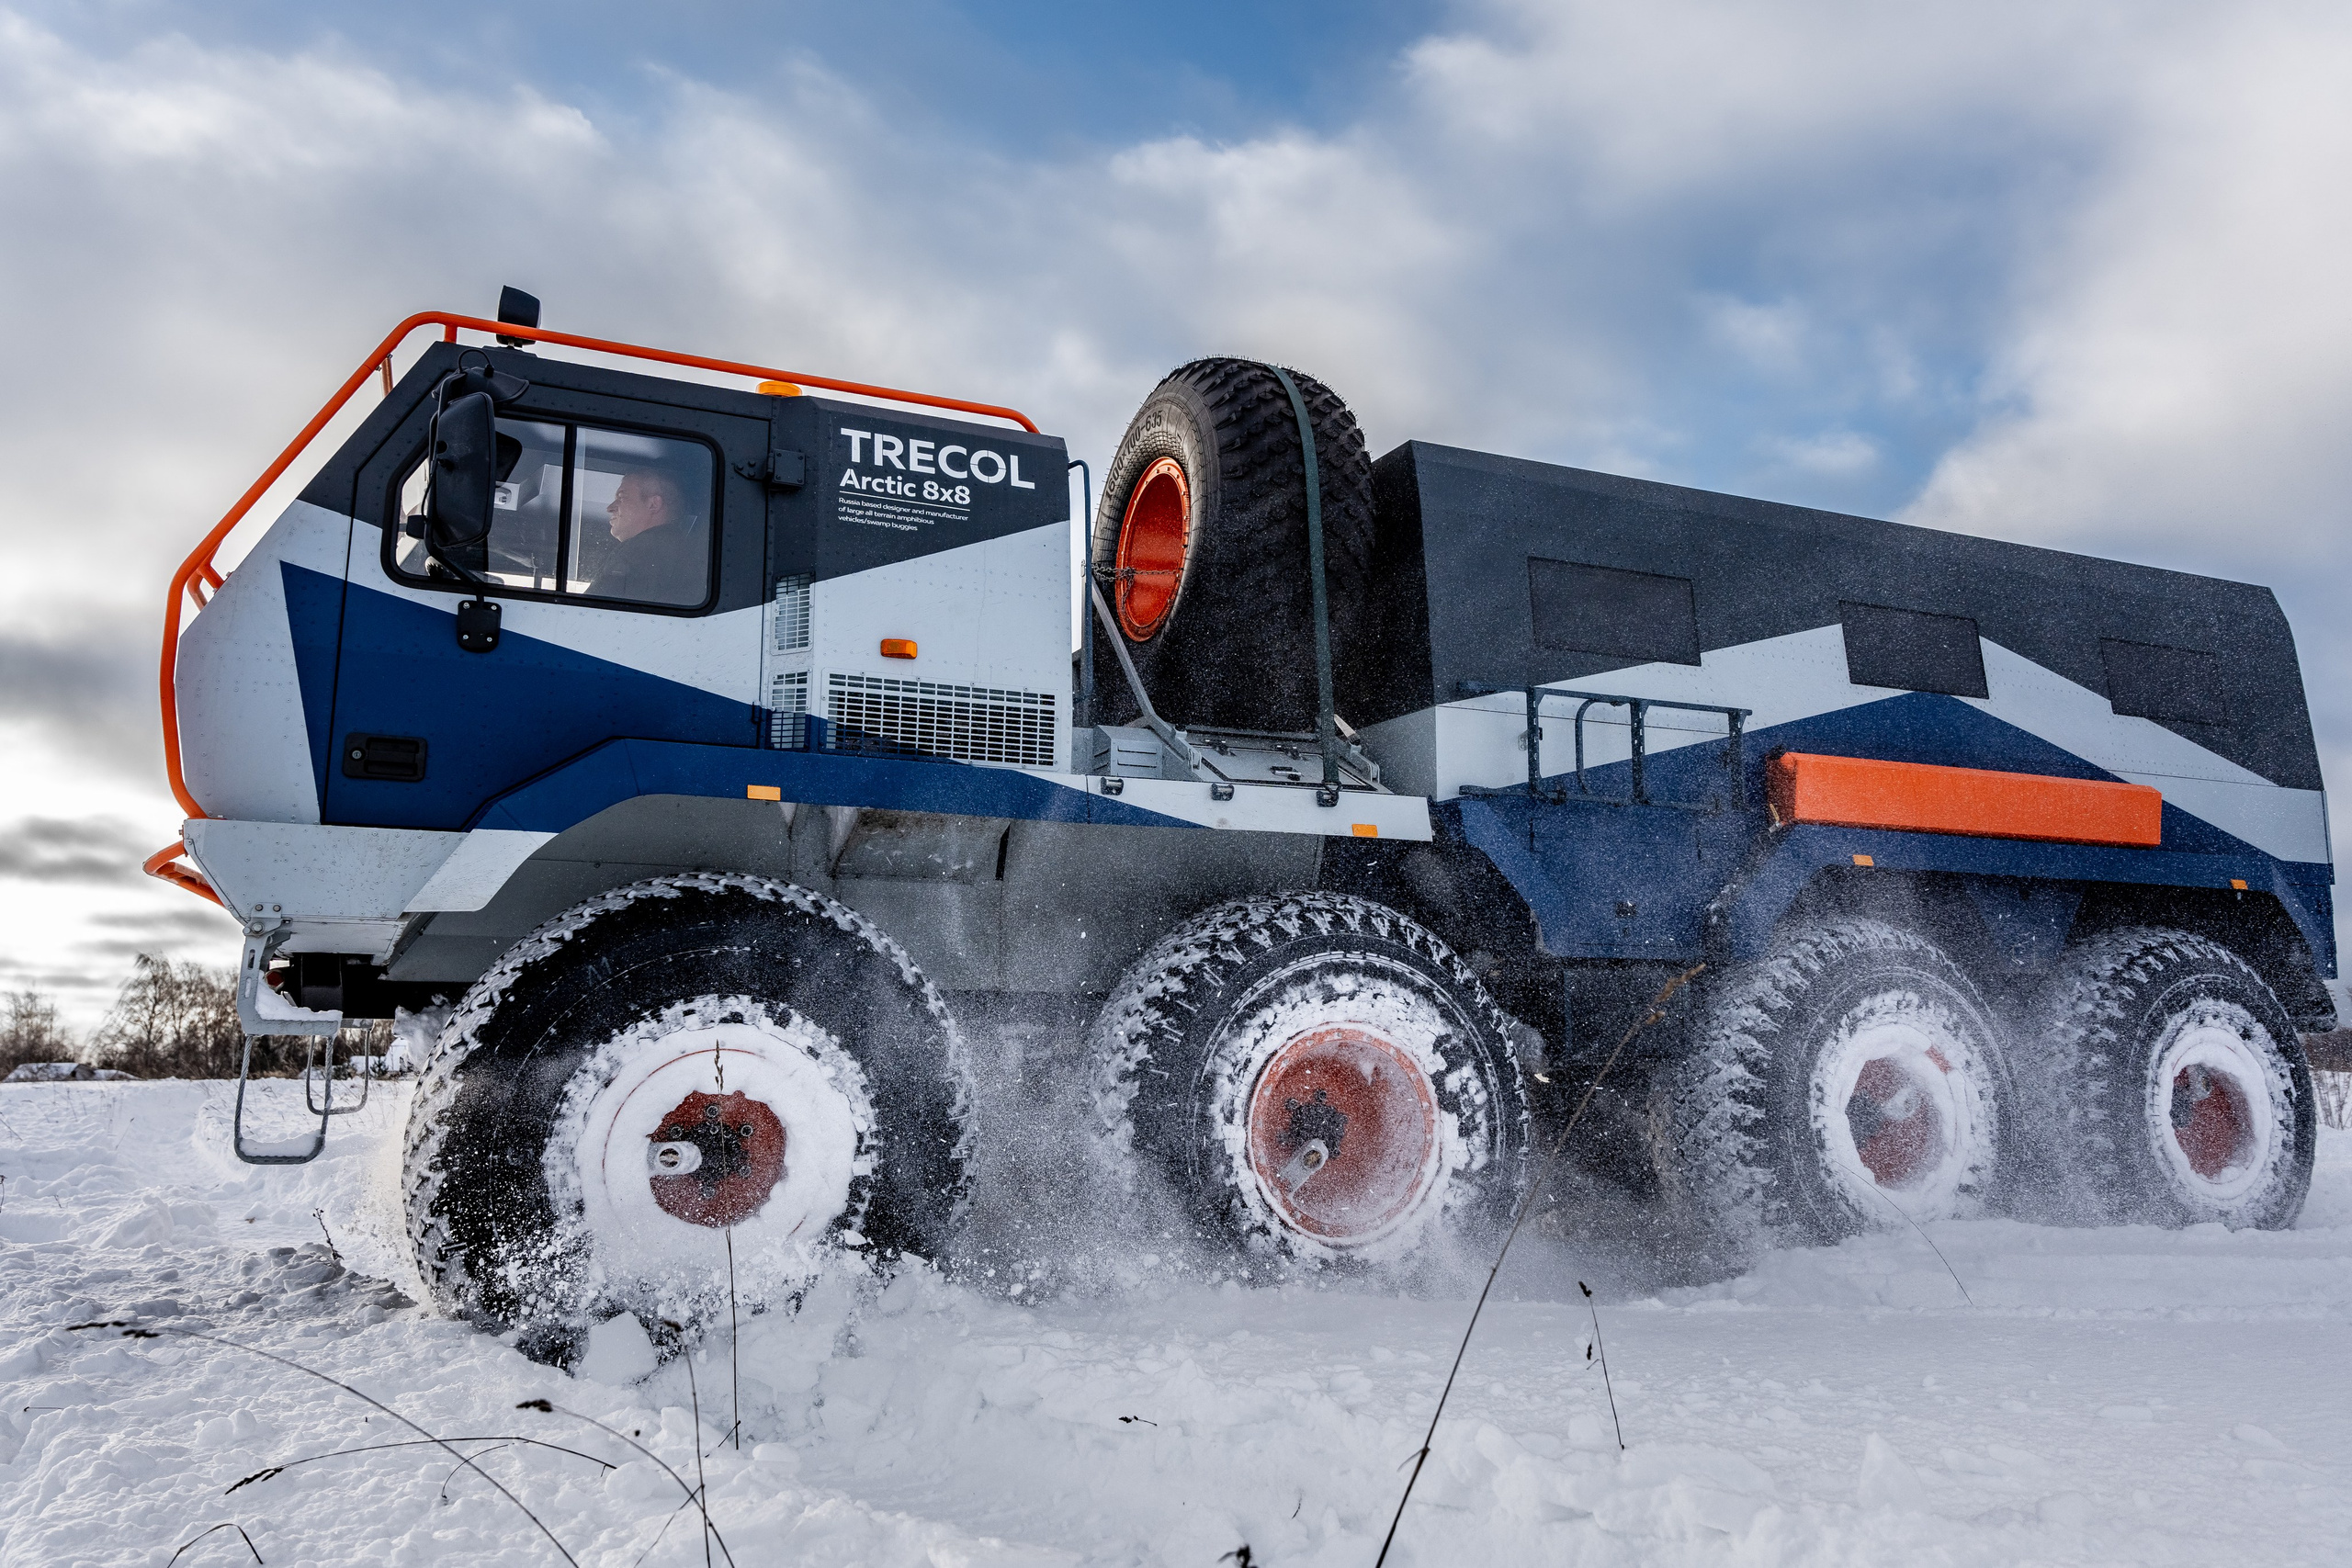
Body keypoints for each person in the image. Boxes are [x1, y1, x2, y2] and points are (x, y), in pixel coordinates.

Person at [590, 468, 706, 604]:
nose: (610, 508)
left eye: (621, 497)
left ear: (653, 504)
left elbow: (593, 608)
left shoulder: (641, 549)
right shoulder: (685, 552)